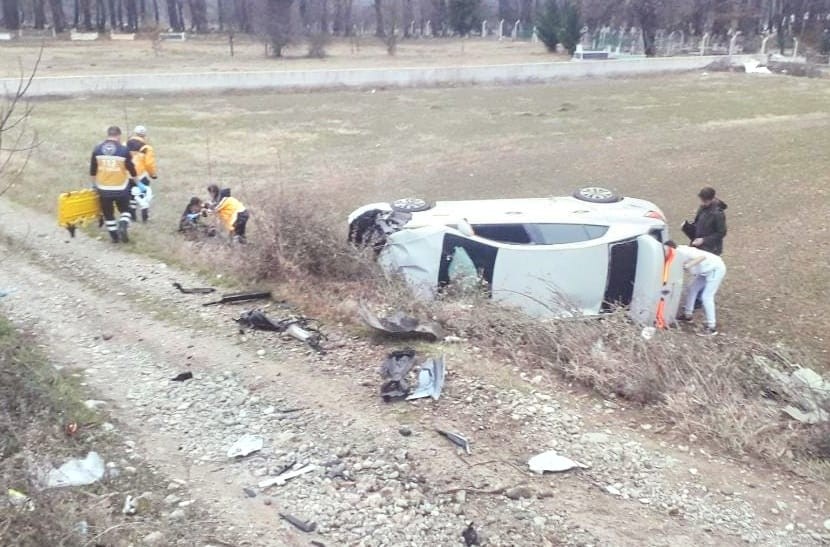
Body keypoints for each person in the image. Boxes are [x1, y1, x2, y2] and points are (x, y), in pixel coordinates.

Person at [666, 240, 727, 336]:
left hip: (715, 268)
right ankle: (688, 315)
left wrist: (688, 265)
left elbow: (702, 257)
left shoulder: (683, 252)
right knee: (692, 289)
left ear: (671, 248)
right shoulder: (678, 254)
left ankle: (711, 327)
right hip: (704, 271)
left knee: (706, 296)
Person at [90, 126, 137, 243]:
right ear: (118, 135)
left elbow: (92, 171)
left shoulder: (97, 149)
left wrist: (94, 185)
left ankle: (114, 237)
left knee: (108, 214)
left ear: (108, 135)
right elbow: (131, 169)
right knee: (126, 210)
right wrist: (138, 183)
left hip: (103, 189)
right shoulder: (124, 150)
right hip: (121, 188)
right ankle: (123, 225)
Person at [126, 125, 158, 223]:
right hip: (141, 175)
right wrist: (153, 174)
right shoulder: (147, 148)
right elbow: (149, 163)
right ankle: (144, 216)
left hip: (127, 175)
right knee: (143, 195)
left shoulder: (125, 144)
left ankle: (132, 216)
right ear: (144, 135)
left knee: (131, 195)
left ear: (134, 133)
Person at [684, 186, 727, 256]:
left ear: (712, 199)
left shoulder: (718, 214)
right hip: (698, 246)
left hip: (711, 249)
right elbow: (697, 223)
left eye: (705, 201)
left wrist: (704, 240)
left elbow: (721, 233)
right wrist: (688, 228)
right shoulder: (702, 208)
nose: (703, 203)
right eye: (702, 200)